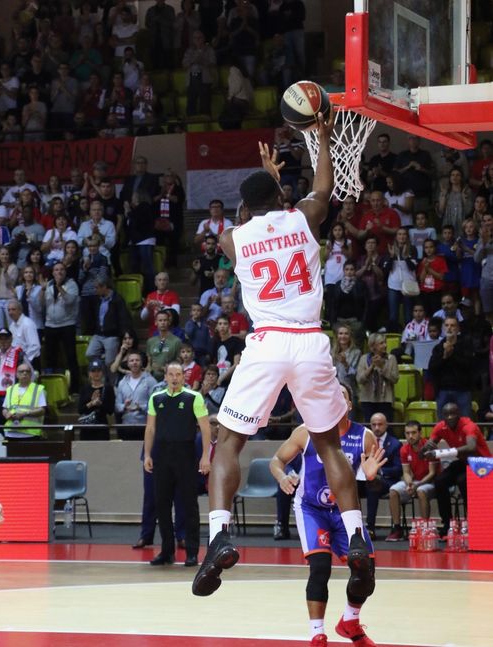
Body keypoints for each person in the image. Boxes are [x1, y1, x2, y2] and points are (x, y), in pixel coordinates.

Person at [192, 111, 372, 600]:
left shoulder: (232, 238)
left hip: (266, 342)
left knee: (229, 441)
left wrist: (262, 185)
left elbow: (245, 221)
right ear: (281, 196)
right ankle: (356, 536)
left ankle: (219, 537)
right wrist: (325, 137)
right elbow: (323, 187)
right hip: (310, 340)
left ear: (245, 206)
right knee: (328, 444)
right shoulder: (303, 218)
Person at [270, 383, 385, 647]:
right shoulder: (306, 431)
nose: (336, 398)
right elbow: (276, 460)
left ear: (350, 405)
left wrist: (369, 477)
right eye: (331, 394)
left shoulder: (364, 436)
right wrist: (282, 477)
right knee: (320, 567)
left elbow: (374, 485)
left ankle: (350, 621)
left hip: (345, 512)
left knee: (366, 570)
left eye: (342, 395)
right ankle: (317, 634)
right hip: (312, 509)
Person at [144, 362, 211, 567]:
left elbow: (205, 429)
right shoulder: (156, 398)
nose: (174, 378)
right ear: (165, 377)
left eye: (178, 374)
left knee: (189, 504)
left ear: (184, 377)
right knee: (162, 504)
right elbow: (150, 429)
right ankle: (166, 552)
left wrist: (205, 456)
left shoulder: (194, 397)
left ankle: (192, 552)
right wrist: (147, 454)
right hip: (162, 455)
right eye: (171, 374)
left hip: (186, 455)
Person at [422, 402, 491, 537]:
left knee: (462, 481)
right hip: (464, 462)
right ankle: (447, 524)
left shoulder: (469, 426)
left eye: (452, 414)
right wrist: (426, 448)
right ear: (442, 416)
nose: (449, 417)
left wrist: (443, 452)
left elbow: (471, 447)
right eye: (446, 414)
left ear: (458, 414)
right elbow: (426, 451)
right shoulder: (440, 427)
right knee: (440, 481)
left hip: (482, 464)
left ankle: (471, 523)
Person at [385, 420, 437, 541]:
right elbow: (406, 472)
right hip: (415, 482)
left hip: (431, 482)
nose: (410, 436)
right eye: (407, 433)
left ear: (420, 433)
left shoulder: (429, 447)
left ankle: (425, 528)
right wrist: (409, 484)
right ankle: (397, 528)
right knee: (393, 490)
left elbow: (432, 473)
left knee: (421, 491)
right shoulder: (404, 449)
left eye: (413, 433)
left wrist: (416, 486)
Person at [361, 413, 402, 540]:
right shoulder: (364, 442)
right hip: (366, 479)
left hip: (388, 481)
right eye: (374, 425)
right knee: (351, 486)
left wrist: (379, 470)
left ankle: (370, 528)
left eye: (380, 424)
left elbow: (398, 469)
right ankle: (353, 527)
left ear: (386, 425)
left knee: (373, 483)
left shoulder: (395, 444)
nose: (377, 427)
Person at [41, 262, 80, 393]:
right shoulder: (48, 285)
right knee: (50, 357)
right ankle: (51, 389)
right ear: (53, 272)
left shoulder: (72, 284)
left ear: (65, 272)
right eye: (56, 270)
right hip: (50, 325)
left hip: (67, 325)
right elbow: (41, 305)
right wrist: (42, 290)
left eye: (62, 269)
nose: (59, 272)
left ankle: (74, 388)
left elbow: (70, 301)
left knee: (71, 357)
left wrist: (59, 287)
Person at [428, 316, 474, 419]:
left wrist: (452, 353)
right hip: (442, 391)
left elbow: (469, 365)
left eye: (452, 325)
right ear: (443, 328)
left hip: (462, 390)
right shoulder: (438, 347)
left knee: (465, 422)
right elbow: (432, 368)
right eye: (447, 325)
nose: (449, 328)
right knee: (442, 424)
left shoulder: (465, 345)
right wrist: (444, 356)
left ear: (458, 329)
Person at [85, 277, 133, 369]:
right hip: (98, 334)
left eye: (97, 288)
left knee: (109, 362)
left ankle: (110, 377)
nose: (95, 290)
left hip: (111, 335)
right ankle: (101, 369)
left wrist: (125, 332)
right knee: (90, 354)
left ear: (104, 287)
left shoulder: (117, 299)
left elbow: (123, 317)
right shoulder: (97, 299)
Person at [356, 333, 399, 423]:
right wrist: (372, 366)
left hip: (385, 399)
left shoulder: (391, 358)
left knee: (386, 426)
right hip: (367, 399)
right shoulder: (364, 358)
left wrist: (382, 366)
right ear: (373, 346)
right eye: (381, 343)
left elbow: (395, 379)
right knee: (369, 426)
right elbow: (360, 379)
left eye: (385, 342)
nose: (385, 345)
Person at [115, 351, 157, 440]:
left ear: (141, 363)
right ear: (128, 364)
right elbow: (117, 405)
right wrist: (124, 406)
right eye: (132, 360)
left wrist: (141, 407)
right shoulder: (122, 382)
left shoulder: (150, 381)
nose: (134, 362)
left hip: (145, 426)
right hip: (126, 425)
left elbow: (156, 403)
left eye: (137, 360)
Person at [2, 363, 46, 440]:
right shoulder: (10, 389)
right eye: (21, 371)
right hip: (11, 432)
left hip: (30, 433)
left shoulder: (38, 389)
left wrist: (25, 413)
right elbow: (5, 408)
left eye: (27, 371)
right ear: (16, 374)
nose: (24, 373)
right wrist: (6, 414)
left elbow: (42, 410)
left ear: (31, 374)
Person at [77, 359, 115, 441]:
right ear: (89, 373)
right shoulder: (84, 388)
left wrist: (99, 403)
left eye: (98, 370)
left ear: (102, 372)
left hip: (101, 426)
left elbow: (110, 410)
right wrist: (91, 403)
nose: (96, 373)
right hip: (87, 427)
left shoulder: (108, 388)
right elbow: (80, 410)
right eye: (93, 371)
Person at [140, 272, 180, 336]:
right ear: (155, 283)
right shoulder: (150, 296)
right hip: (153, 332)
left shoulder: (173, 295)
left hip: (169, 332)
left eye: (164, 280)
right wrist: (148, 307)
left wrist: (161, 306)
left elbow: (176, 313)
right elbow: (143, 317)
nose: (162, 282)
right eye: (159, 280)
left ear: (168, 282)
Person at [146, 311, 182, 381]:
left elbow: (180, 360)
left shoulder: (176, 341)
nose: (163, 323)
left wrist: (164, 368)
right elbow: (149, 358)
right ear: (156, 322)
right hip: (152, 377)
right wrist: (148, 367)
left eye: (165, 320)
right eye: (160, 320)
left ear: (169, 322)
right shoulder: (150, 341)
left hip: (169, 377)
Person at [7, 300, 40, 371]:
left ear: (20, 311)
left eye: (13, 309)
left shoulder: (28, 324)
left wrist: (23, 360)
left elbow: (35, 346)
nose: (10, 312)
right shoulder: (11, 326)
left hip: (30, 361)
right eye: (9, 310)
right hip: (17, 361)